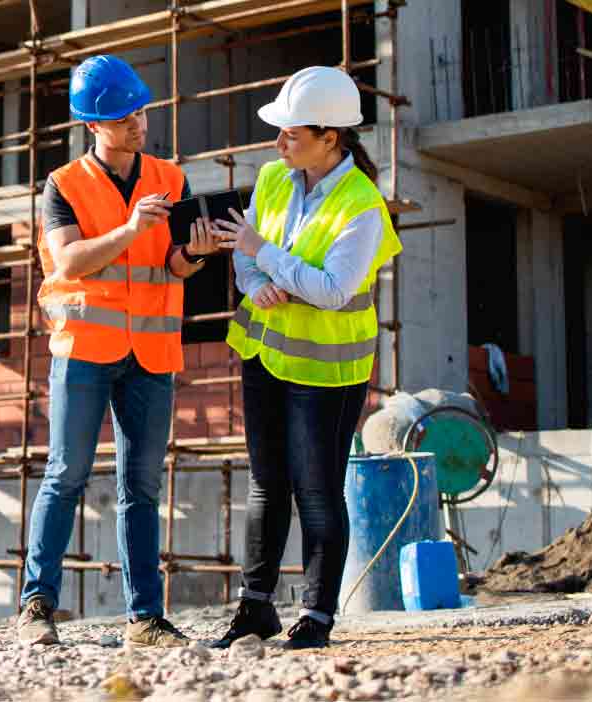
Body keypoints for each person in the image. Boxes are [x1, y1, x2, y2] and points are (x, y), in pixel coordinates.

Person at [14, 54, 215, 649]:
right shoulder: (64, 185)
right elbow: (71, 259)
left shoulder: (170, 178)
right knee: (65, 475)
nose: (138, 122)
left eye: (141, 110)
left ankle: (145, 620)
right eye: (124, 114)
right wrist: (129, 227)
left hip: (151, 354)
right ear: (93, 124)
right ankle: (36, 607)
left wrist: (198, 253)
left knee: (142, 488)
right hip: (85, 349)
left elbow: (173, 264)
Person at [207, 65, 402, 650]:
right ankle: (256, 606)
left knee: (317, 490)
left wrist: (261, 253)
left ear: (330, 138)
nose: (279, 141)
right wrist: (252, 279)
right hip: (265, 353)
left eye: (291, 132)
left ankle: (316, 616)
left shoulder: (362, 205)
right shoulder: (273, 178)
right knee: (266, 485)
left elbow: (334, 288)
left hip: (327, 369)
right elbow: (243, 249)